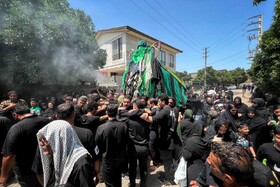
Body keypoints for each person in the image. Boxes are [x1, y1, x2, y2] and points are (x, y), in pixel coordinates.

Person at [32, 120, 94, 187]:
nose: (41, 144)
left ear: (58, 140)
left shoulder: (81, 162)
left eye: (45, 140)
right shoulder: (55, 155)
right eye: (41, 140)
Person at [0, 104, 50, 187]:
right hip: (46, 166)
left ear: (15, 114)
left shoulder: (16, 128)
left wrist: (2, 179)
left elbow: (9, 156)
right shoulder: (46, 121)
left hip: (27, 172)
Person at [140, 94, 176, 184]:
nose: (158, 103)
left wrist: (145, 116)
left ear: (163, 102)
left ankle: (169, 179)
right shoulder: (172, 110)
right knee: (168, 160)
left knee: (167, 161)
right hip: (169, 139)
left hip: (166, 141)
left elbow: (153, 119)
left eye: (159, 101)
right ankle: (170, 176)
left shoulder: (165, 110)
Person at [95, 104, 128, 187]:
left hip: (107, 160)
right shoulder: (123, 125)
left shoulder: (101, 128)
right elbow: (126, 142)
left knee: (109, 183)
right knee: (117, 181)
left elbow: (97, 144)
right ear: (117, 112)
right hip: (120, 159)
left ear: (106, 112)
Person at [126, 100, 150, 187]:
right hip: (144, 147)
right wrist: (144, 111)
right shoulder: (146, 118)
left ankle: (132, 185)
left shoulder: (129, 120)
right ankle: (143, 185)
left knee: (132, 168)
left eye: (133, 106)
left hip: (133, 148)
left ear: (136, 108)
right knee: (143, 168)